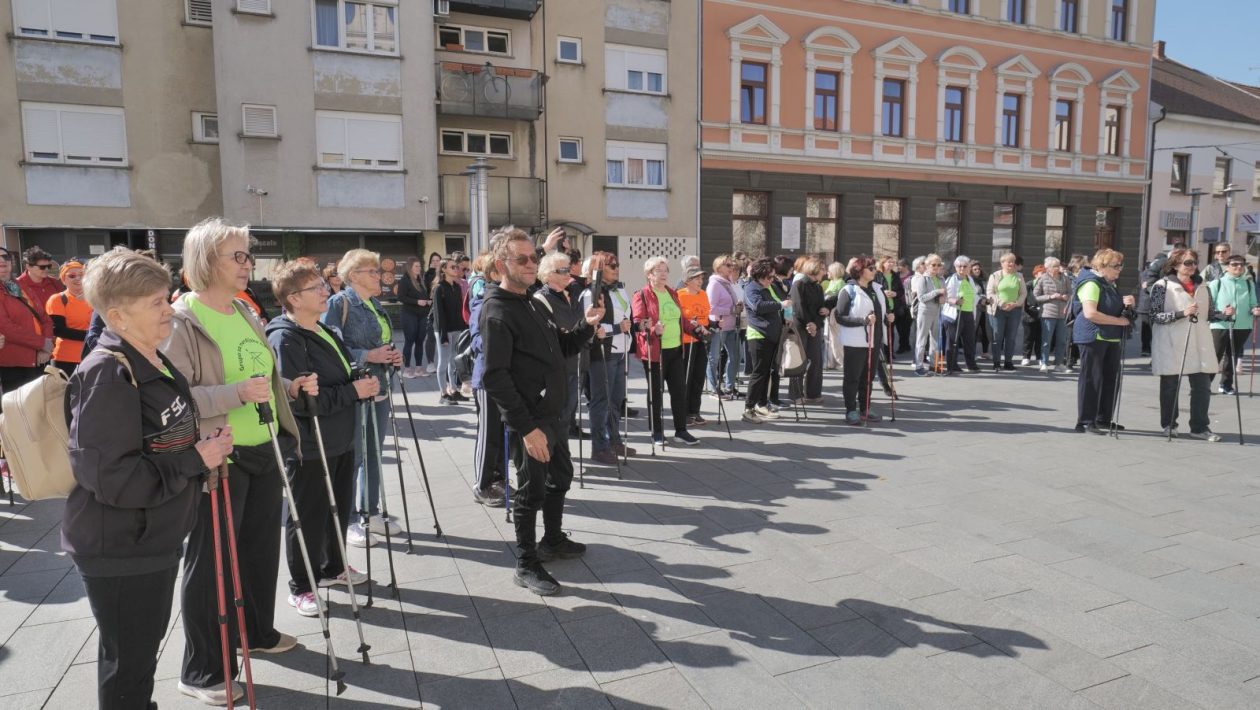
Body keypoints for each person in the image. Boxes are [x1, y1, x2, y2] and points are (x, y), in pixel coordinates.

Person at [65, 247, 234, 710]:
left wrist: (205, 446)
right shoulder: (107, 372)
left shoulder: (150, 357)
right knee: (129, 663)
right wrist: (197, 459)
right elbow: (113, 478)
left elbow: (162, 435)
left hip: (151, 536)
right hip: (121, 545)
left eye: (166, 297)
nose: (170, 308)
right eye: (157, 303)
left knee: (137, 658)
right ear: (117, 315)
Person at [164, 218, 314, 704]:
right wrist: (233, 393)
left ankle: (255, 633)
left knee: (257, 550)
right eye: (239, 256)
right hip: (218, 456)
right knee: (211, 564)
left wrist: (287, 389)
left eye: (248, 256)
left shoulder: (244, 310)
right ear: (207, 261)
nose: (248, 264)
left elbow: (262, 375)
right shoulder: (182, 319)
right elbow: (174, 398)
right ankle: (203, 668)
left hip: (264, 446)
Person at [480, 229, 602, 595]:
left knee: (560, 476)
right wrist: (528, 429)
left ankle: (552, 539)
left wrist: (586, 327)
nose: (531, 264)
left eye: (533, 258)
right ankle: (526, 562)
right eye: (522, 260)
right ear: (502, 264)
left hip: (553, 413)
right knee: (530, 491)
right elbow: (496, 377)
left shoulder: (532, 302)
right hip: (529, 420)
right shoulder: (498, 310)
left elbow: (561, 345)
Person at [266, 261, 377, 618]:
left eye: (321, 286)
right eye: (316, 288)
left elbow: (340, 374)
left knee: (338, 509)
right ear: (294, 298)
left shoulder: (322, 329)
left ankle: (331, 567)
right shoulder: (285, 337)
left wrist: (358, 377)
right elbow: (298, 402)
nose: (325, 292)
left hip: (340, 438)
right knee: (307, 517)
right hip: (309, 446)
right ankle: (301, 586)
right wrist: (353, 392)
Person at [322, 249, 404, 548]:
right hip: (355, 390)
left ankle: (369, 512)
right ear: (353, 275)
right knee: (355, 455)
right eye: (371, 271)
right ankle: (349, 521)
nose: (379, 275)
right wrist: (367, 355)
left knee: (372, 453)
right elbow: (330, 346)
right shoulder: (338, 303)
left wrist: (394, 354)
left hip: (379, 385)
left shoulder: (374, 304)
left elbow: (384, 340)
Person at [1149, 247, 1228, 440]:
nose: (1192, 266)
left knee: (1202, 386)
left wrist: (1224, 314)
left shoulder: (1203, 286)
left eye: (1194, 262)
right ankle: (1169, 425)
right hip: (1171, 341)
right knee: (1170, 386)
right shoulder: (1161, 286)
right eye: (1187, 263)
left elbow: (1208, 315)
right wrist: (1181, 313)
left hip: (1199, 341)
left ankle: (1200, 427)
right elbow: (1155, 315)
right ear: (1175, 265)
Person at [632, 257, 702, 445]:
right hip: (655, 353)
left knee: (679, 391)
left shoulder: (672, 292)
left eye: (665, 271)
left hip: (676, 349)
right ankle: (656, 432)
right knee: (656, 393)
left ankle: (681, 431)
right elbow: (639, 323)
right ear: (649, 275)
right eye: (658, 271)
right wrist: (654, 329)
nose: (663, 274)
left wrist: (694, 328)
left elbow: (681, 319)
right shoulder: (642, 295)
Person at [1071, 248, 1137, 435]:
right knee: (1092, 379)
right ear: (1102, 266)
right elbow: (1090, 313)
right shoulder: (1091, 283)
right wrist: (1119, 321)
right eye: (1116, 266)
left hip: (1111, 336)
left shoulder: (1109, 284)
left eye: (1120, 265)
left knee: (1110, 379)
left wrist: (1129, 304)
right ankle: (1085, 421)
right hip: (1093, 336)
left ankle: (1103, 419)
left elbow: (1116, 309)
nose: (1119, 269)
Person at [581, 252, 635, 466]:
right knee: (601, 402)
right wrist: (616, 328)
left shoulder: (620, 289)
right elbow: (590, 325)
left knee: (616, 400)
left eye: (617, 264)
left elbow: (627, 318)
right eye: (611, 266)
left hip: (621, 350)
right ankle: (599, 447)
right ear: (599, 269)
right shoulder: (590, 293)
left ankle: (614, 440)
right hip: (602, 352)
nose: (616, 268)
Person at [470, 244, 508, 504]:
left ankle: (500, 479)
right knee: (488, 432)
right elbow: (477, 339)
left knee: (503, 431)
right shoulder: (481, 300)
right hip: (486, 378)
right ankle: (482, 485)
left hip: (506, 376)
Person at [833, 256, 891, 425]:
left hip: (875, 340)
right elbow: (840, 317)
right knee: (852, 377)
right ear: (859, 271)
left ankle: (865, 407)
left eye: (874, 268)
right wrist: (862, 321)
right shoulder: (848, 290)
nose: (874, 271)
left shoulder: (877, 289)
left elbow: (881, 313)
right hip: (856, 341)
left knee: (869, 377)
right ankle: (851, 410)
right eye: (870, 268)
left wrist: (888, 318)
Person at [535, 252, 585, 436]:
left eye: (569, 268)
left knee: (567, 416)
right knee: (556, 418)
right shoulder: (541, 299)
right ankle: (552, 457)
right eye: (563, 270)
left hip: (576, 364)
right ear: (548, 274)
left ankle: (561, 456)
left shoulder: (571, 294)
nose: (568, 273)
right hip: (556, 369)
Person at [0, 247, 53, 395]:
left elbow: (44, 318)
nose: (2, 261)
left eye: (5, 257)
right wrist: (42, 343)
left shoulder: (19, 285)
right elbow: (6, 328)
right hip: (15, 363)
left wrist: (46, 345)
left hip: (39, 359)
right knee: (18, 411)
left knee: (39, 409)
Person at [741, 257, 787, 424]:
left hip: (769, 335)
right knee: (758, 373)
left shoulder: (764, 287)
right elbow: (758, 306)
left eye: (773, 277)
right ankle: (748, 409)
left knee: (765, 372)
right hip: (759, 336)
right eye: (769, 277)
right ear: (759, 275)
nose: (771, 280)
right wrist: (781, 305)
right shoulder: (751, 288)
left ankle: (761, 404)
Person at [1207, 254, 1260, 395]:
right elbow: (1208, 307)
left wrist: (1255, 309)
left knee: (1233, 356)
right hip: (1220, 325)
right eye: (1234, 264)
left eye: (1241, 264)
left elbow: (1253, 303)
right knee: (1215, 356)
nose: (1238, 267)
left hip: (1243, 325)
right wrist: (1222, 312)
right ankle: (1204, 386)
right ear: (1227, 266)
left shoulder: (1248, 284)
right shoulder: (1217, 283)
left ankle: (1226, 385)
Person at [788, 257, 830, 404]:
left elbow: (821, 308)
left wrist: (816, 323)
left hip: (814, 327)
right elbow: (798, 307)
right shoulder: (799, 285)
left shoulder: (818, 287)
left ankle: (813, 393)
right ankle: (796, 394)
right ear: (815, 269)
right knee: (799, 360)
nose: (825, 272)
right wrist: (809, 323)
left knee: (816, 360)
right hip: (801, 326)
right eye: (823, 269)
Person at [430, 256, 468, 404]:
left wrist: (463, 328)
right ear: (444, 269)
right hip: (443, 331)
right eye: (453, 267)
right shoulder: (439, 288)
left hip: (456, 329)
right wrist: (443, 336)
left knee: (454, 361)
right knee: (443, 362)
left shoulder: (457, 287)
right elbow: (438, 314)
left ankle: (453, 390)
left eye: (457, 267)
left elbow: (460, 310)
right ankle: (443, 393)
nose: (456, 269)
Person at [677, 266, 711, 425]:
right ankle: (683, 413)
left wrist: (714, 325)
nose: (700, 281)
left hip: (701, 340)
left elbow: (706, 317)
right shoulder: (679, 295)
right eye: (696, 278)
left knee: (699, 377)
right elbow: (679, 319)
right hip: (686, 341)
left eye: (701, 278)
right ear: (687, 281)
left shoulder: (704, 294)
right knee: (686, 378)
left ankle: (694, 411)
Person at [705, 254, 743, 399]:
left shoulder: (727, 283)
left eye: (731, 265)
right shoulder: (714, 284)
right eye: (728, 265)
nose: (731, 268)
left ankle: (729, 387)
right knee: (714, 358)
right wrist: (731, 310)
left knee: (735, 356)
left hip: (731, 326)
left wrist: (737, 306)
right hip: (719, 326)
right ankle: (714, 388)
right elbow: (710, 308)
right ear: (718, 267)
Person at [45, 259, 92, 376]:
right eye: (71, 276)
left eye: (81, 275)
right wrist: (91, 335)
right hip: (65, 359)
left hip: (93, 355)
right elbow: (58, 330)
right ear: (63, 280)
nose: (77, 278)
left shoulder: (95, 298)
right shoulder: (57, 299)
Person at [985, 253, 1027, 372]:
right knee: (997, 336)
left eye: (1013, 261)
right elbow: (990, 292)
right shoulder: (995, 275)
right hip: (998, 310)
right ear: (1002, 263)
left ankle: (1008, 362)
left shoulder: (1019, 276)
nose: (1011, 264)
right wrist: (1001, 303)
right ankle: (996, 362)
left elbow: (1023, 293)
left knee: (1011, 337)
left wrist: (1016, 303)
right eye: (1008, 262)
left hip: (1014, 310)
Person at [942, 256, 981, 375]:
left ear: (969, 268)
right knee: (953, 340)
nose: (962, 269)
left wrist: (982, 300)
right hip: (955, 313)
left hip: (968, 312)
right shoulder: (951, 279)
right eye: (960, 266)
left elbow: (974, 295)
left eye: (965, 266)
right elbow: (946, 297)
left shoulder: (970, 279)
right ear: (955, 267)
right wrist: (955, 301)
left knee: (970, 340)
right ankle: (952, 365)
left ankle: (971, 364)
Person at [1034, 257, 1072, 373]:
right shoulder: (1043, 278)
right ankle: (1044, 363)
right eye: (1055, 266)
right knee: (1046, 340)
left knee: (1061, 340)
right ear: (1048, 268)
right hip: (1048, 313)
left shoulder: (1064, 278)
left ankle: (1058, 363)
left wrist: (1067, 296)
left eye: (1058, 265)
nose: (1058, 268)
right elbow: (1036, 296)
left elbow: (1071, 292)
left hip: (1062, 313)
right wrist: (1051, 296)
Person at [396, 256, 433, 378]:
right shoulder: (404, 280)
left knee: (420, 341)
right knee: (409, 341)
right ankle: (406, 369)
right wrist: (417, 302)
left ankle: (418, 368)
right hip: (409, 314)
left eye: (419, 266)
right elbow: (401, 297)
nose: (419, 268)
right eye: (416, 266)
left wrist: (427, 301)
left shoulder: (420, 280)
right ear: (410, 267)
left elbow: (424, 295)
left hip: (422, 315)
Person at [912, 254, 946, 376]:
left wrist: (943, 299)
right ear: (927, 266)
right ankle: (919, 366)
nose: (936, 267)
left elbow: (944, 296)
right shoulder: (922, 279)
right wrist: (936, 292)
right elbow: (921, 298)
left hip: (937, 310)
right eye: (933, 265)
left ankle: (934, 364)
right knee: (922, 339)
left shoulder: (941, 279)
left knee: (935, 340)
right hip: (925, 311)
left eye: (938, 265)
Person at [17, 246, 63, 320]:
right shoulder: (17, 286)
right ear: (28, 266)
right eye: (42, 267)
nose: (47, 269)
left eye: (49, 266)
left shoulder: (55, 282)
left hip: (55, 326)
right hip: (33, 328)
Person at [823, 261, 846, 370]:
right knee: (829, 338)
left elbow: (835, 299)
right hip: (829, 314)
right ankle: (831, 361)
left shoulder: (840, 283)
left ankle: (841, 362)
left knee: (835, 338)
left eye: (829, 270)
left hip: (834, 313)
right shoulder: (832, 282)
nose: (827, 272)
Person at [1021, 264, 1044, 366]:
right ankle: (1026, 357)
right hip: (1029, 315)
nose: (1043, 276)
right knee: (1028, 338)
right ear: (1035, 274)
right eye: (1041, 273)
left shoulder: (1046, 286)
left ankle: (1039, 357)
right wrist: (1028, 312)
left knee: (1040, 338)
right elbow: (1024, 301)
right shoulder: (1028, 285)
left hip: (1042, 315)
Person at [970, 261, 991, 359]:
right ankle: (972, 353)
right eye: (975, 269)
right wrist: (980, 299)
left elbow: (989, 291)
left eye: (978, 269)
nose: (977, 271)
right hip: (975, 308)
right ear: (971, 270)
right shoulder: (970, 280)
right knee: (974, 330)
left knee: (986, 330)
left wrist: (987, 298)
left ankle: (985, 352)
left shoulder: (985, 279)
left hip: (985, 308)